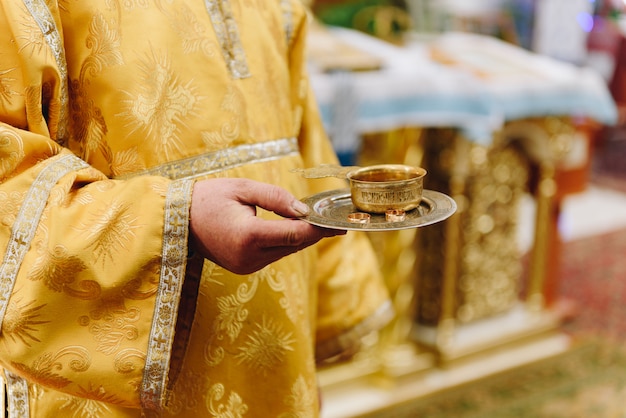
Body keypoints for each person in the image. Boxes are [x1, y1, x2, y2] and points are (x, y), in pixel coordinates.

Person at [0, 0, 392, 417]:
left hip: (278, 359)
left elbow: (299, 141)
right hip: (121, 389)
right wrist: (176, 220)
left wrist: (310, 354)